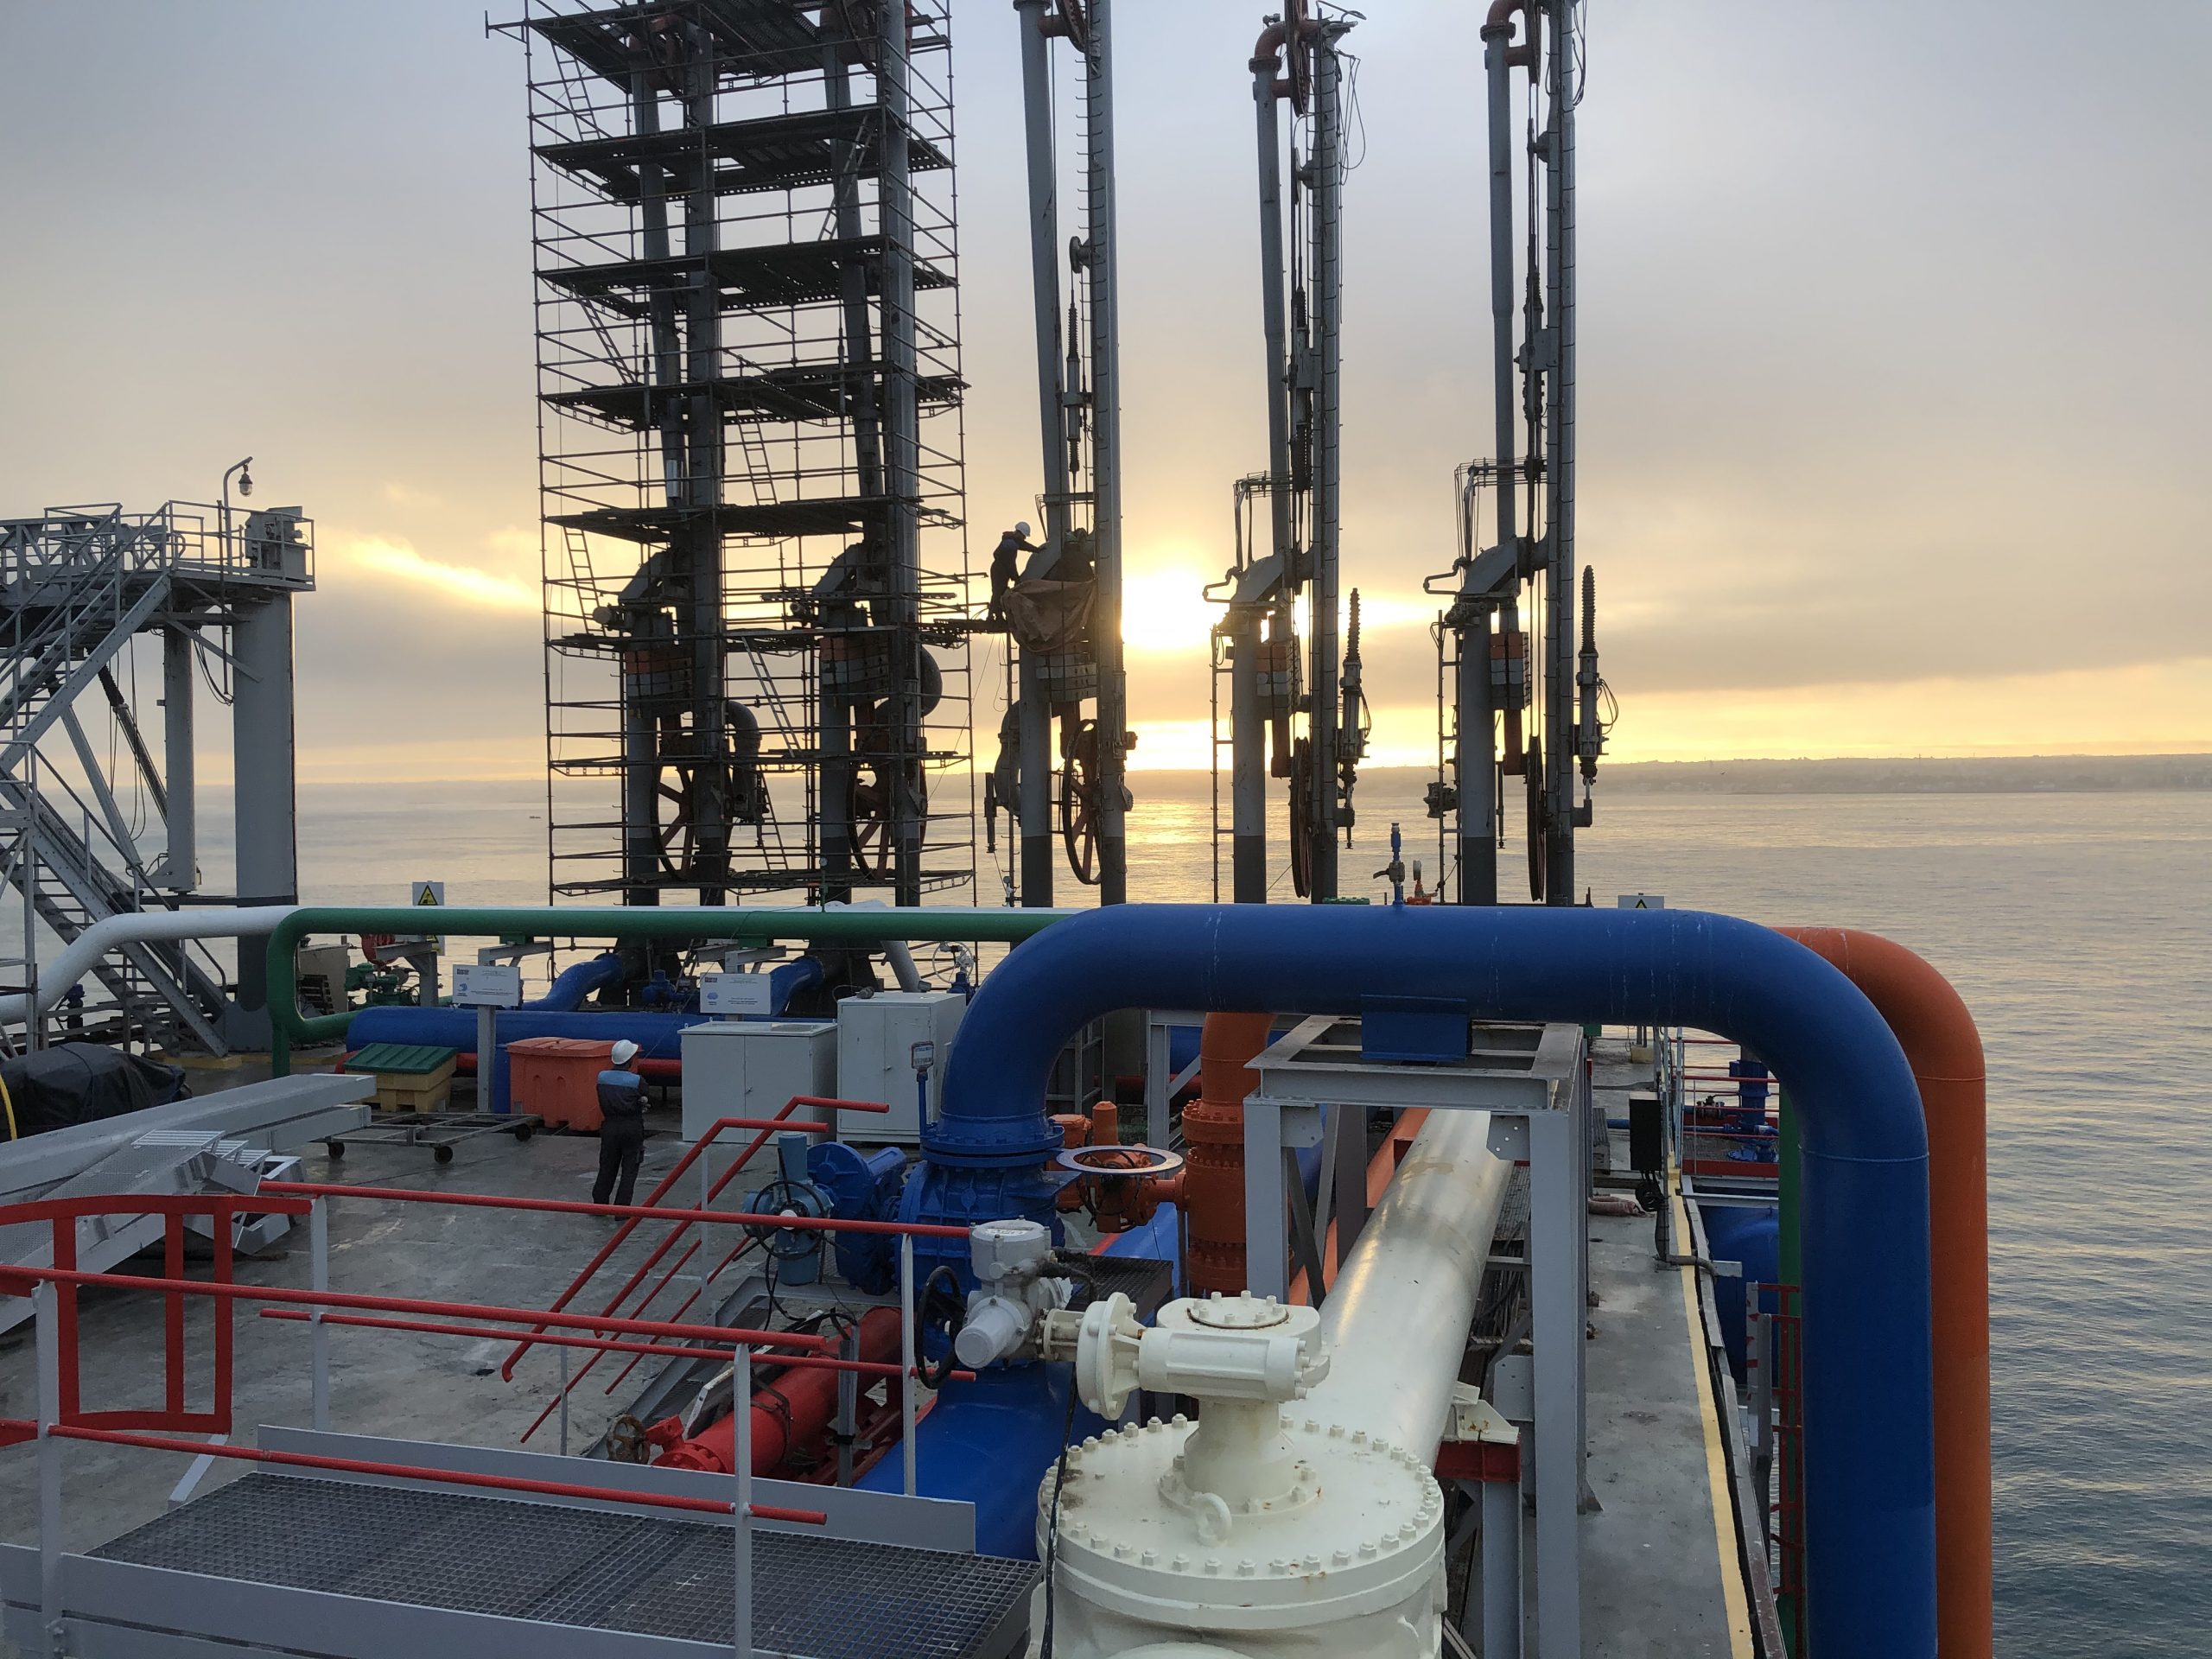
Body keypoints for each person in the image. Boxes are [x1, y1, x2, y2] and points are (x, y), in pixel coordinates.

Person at [592, 1039, 647, 1208]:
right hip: (631, 1127)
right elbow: (644, 1095)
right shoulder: (637, 1081)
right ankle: (621, 1209)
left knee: (607, 1166)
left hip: (609, 1127)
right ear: (629, 1060)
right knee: (630, 1169)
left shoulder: (602, 1077)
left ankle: (599, 1205)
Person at [988, 521, 1036, 616]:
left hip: (1002, 569)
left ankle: (997, 616)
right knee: (998, 592)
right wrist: (1016, 578)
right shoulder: (1010, 544)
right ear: (1019, 533)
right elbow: (1010, 564)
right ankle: (992, 616)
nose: (1024, 538)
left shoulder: (1012, 540)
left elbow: (1024, 545)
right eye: (1023, 536)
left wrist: (1036, 549)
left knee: (1001, 592)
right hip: (999, 570)